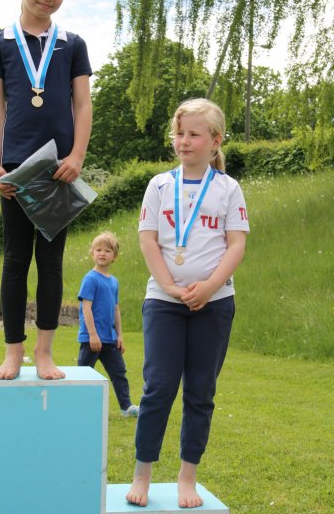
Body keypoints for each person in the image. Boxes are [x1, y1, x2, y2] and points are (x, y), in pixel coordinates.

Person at [127, 98, 250, 509]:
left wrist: (210, 287)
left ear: (216, 141)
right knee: (159, 388)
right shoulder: (159, 185)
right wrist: (169, 286)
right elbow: (148, 239)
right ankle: (142, 474)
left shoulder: (229, 189)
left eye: (194, 134)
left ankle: (187, 478)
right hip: (164, 302)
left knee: (200, 392)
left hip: (214, 304)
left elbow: (236, 245)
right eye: (179, 133)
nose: (183, 141)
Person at [0, 0, 92, 381]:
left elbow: (82, 105)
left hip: (59, 169)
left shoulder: (72, 44)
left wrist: (77, 156)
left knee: (51, 262)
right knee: (15, 260)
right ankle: (13, 353)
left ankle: (44, 353)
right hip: (15, 171)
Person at [77, 232, 139, 417]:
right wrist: (93, 335)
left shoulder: (114, 282)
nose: (102, 253)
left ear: (114, 256)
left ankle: (126, 407)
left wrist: (119, 335)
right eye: (98, 250)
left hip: (110, 340)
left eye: (107, 250)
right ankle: (76, 406)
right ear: (92, 253)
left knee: (119, 372)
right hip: (92, 339)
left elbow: (115, 309)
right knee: (83, 374)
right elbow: (86, 307)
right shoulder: (90, 279)